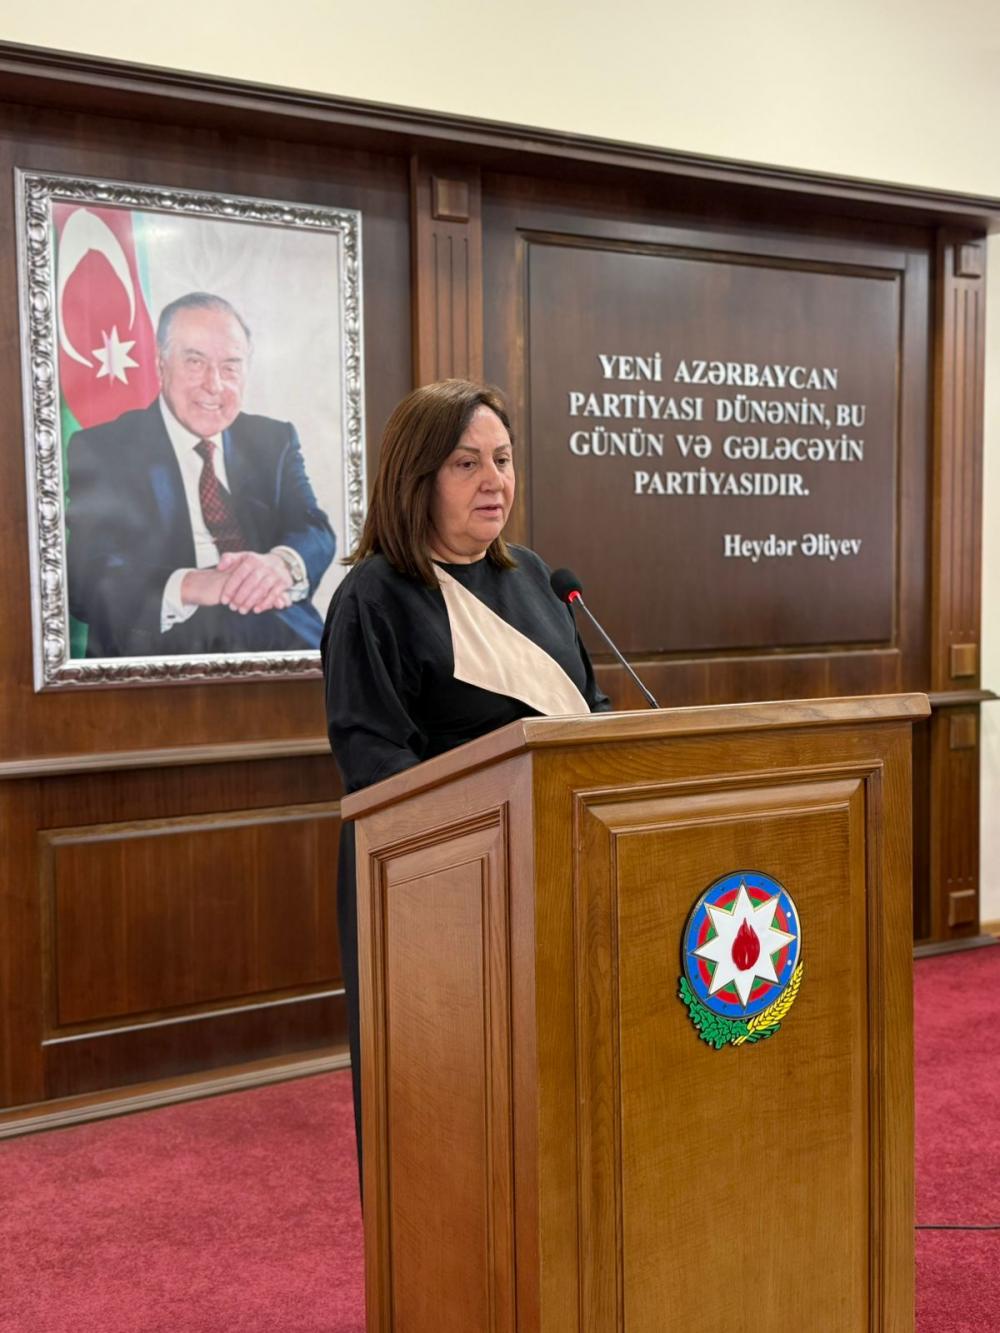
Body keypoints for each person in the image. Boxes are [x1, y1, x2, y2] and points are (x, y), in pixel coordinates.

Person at [321, 378, 612, 1180]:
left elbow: (588, 708)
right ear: (416, 476)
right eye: (466, 463)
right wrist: (483, 842)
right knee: (447, 1113)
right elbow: (376, 761)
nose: (494, 481)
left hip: (555, 871)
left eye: (504, 460)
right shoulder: (374, 598)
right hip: (435, 887)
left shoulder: (538, 578)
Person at [66, 291, 336, 657]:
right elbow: (88, 578)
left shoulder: (273, 440)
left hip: (276, 629)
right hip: (161, 644)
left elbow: (314, 529)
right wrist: (196, 585)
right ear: (161, 364)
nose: (214, 385)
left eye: (230, 367)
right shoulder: (104, 449)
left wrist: (278, 565)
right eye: (195, 362)